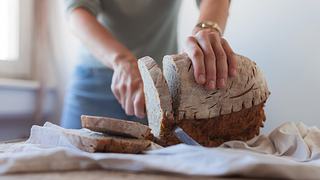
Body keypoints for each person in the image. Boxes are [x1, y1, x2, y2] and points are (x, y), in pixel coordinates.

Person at [61, 0, 237, 129]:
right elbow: (77, 11)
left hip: (160, 86)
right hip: (95, 81)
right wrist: (122, 60)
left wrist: (206, 30)